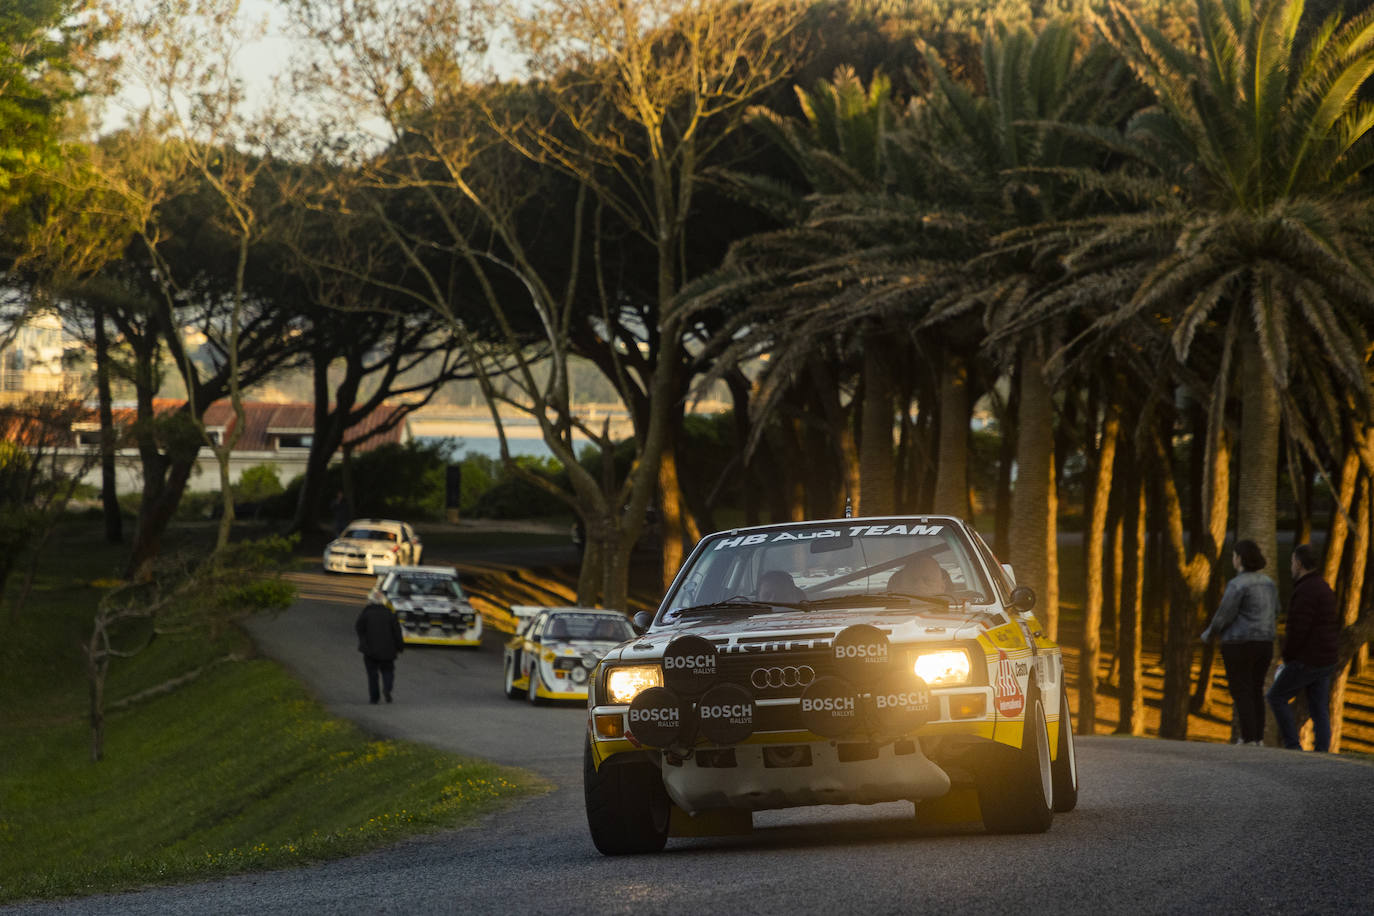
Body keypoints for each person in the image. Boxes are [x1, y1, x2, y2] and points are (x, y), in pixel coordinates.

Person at [1200, 539, 1278, 745]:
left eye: (1234, 555)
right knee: (1256, 688)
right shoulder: (1269, 583)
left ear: (1240, 559)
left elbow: (1224, 615)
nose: (1233, 559)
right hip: (1265, 644)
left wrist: (1209, 633)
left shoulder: (1237, 584)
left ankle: (1248, 738)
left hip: (1239, 644)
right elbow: (1277, 610)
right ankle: (1258, 738)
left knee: (1241, 690)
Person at [1266, 543, 1342, 751]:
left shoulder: (1305, 591)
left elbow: (1297, 629)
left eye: (1292, 562)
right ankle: (1322, 751)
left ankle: (1292, 746)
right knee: (1319, 708)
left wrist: (1288, 656)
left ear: (1299, 563)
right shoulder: (1322, 586)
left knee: (1276, 696)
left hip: (1308, 658)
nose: (1291, 566)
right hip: (1326, 658)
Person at [355, 601, 404, 704]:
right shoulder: (390, 614)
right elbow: (397, 632)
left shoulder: (366, 614)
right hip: (388, 650)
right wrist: (400, 647)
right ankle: (387, 688)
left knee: (372, 675)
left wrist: (363, 642)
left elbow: (359, 628)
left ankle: (374, 698)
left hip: (370, 650)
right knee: (388, 671)